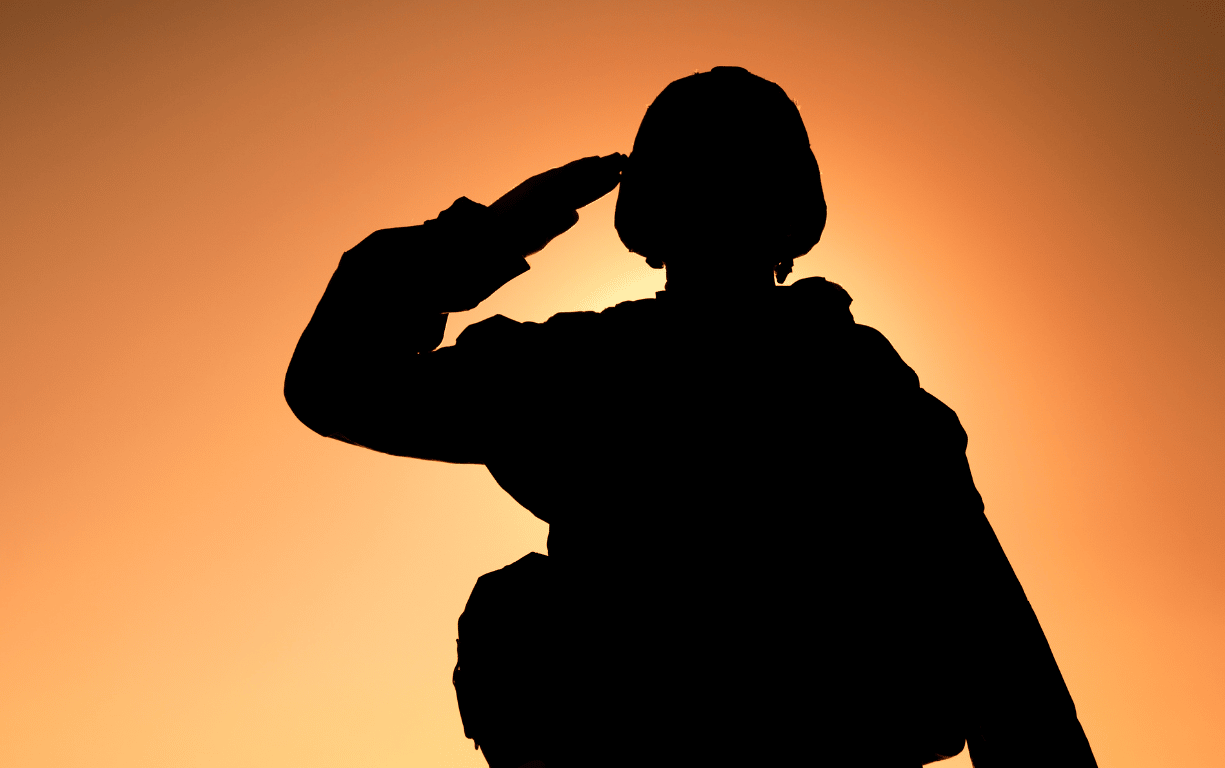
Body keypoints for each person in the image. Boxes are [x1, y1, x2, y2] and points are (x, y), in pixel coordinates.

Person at [285, 66, 1097, 767]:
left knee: (517, 611)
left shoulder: (596, 375)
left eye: (732, 182)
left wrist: (483, 242)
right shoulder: (844, 387)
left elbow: (335, 384)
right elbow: (1000, 661)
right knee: (516, 608)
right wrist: (481, 241)